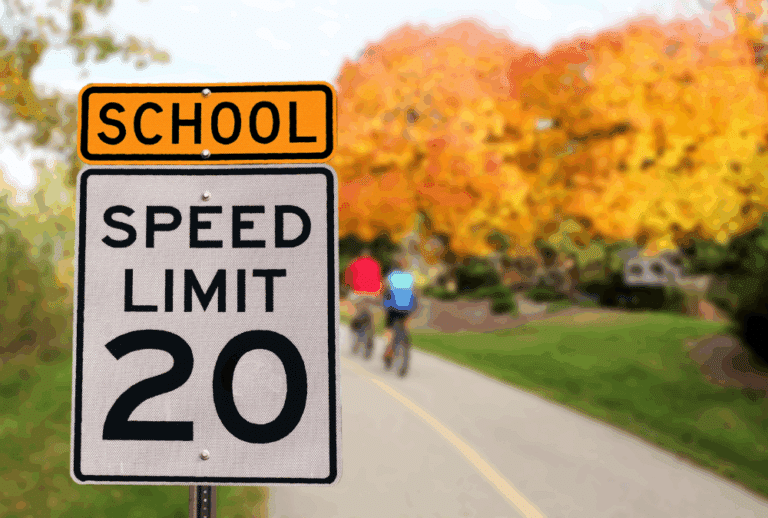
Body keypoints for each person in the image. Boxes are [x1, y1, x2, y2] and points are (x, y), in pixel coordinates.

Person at [382, 254, 417, 366]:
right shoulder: (411, 276)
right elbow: (414, 292)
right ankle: (404, 337)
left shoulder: (392, 275)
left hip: (392, 307)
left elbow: (385, 288)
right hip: (407, 307)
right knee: (404, 324)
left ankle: (388, 350)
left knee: (389, 329)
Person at [344, 248, 382, 339]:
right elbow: (379, 279)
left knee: (353, 308)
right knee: (371, 312)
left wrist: (347, 286)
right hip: (373, 294)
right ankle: (371, 329)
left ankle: (354, 324)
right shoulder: (376, 264)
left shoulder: (354, 263)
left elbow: (347, 278)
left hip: (358, 293)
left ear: (360, 255)